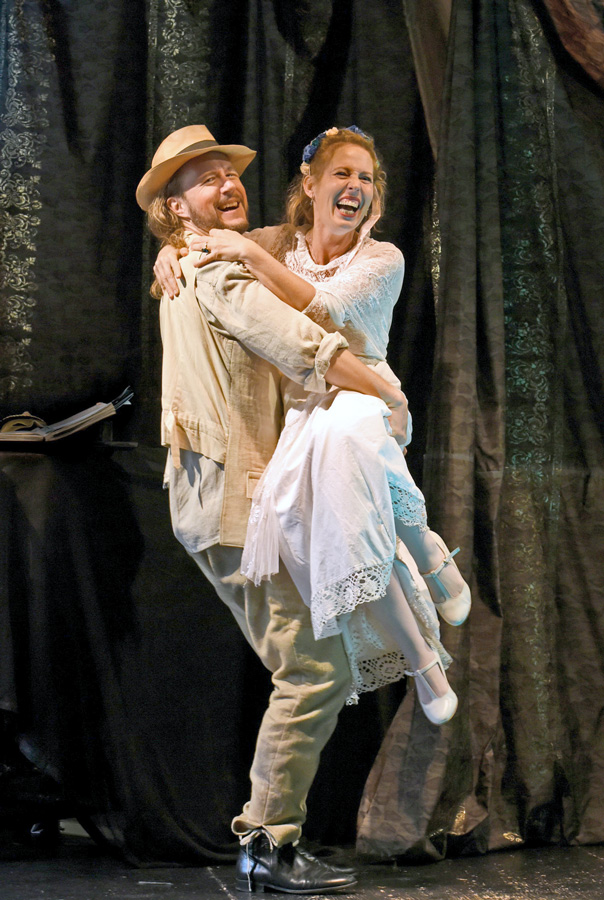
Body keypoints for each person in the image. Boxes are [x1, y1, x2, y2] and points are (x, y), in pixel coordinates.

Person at [136, 125, 412, 894]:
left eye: (230, 173)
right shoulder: (215, 267)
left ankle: (270, 838)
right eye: (205, 179)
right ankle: (267, 844)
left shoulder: (226, 252)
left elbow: (287, 280)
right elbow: (302, 342)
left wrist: (177, 248)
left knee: (319, 658)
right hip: (231, 496)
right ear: (174, 207)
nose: (228, 184)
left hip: (257, 492)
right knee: (314, 668)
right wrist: (386, 390)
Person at [155, 126, 471, 722]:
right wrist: (173, 246)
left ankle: (429, 557)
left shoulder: (382, 256)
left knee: (351, 447)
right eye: (342, 175)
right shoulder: (279, 241)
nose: (354, 187)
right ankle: (422, 656)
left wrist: (387, 395)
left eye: (366, 178)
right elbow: (209, 239)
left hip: (358, 388)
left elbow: (325, 314)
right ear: (311, 183)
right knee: (337, 537)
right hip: (305, 408)